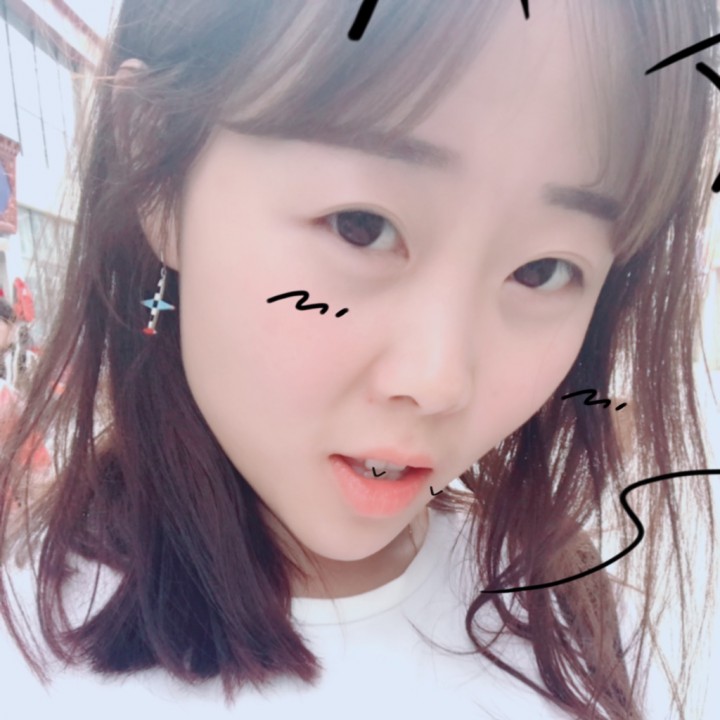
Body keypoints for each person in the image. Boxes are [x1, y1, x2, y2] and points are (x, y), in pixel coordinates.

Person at [0, 1, 717, 718]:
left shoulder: (586, 634)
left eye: (543, 271)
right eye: (361, 226)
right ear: (155, 161)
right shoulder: (27, 671)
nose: (439, 382)